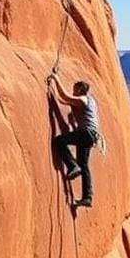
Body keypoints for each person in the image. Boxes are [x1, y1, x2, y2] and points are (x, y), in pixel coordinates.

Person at [48, 72, 99, 207]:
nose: (73, 92)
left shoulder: (82, 99)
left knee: (59, 141)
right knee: (84, 166)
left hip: (85, 133)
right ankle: (87, 197)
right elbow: (66, 101)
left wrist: (55, 79)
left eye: (75, 90)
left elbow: (65, 97)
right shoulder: (91, 101)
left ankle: (72, 165)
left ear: (80, 90)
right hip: (91, 136)